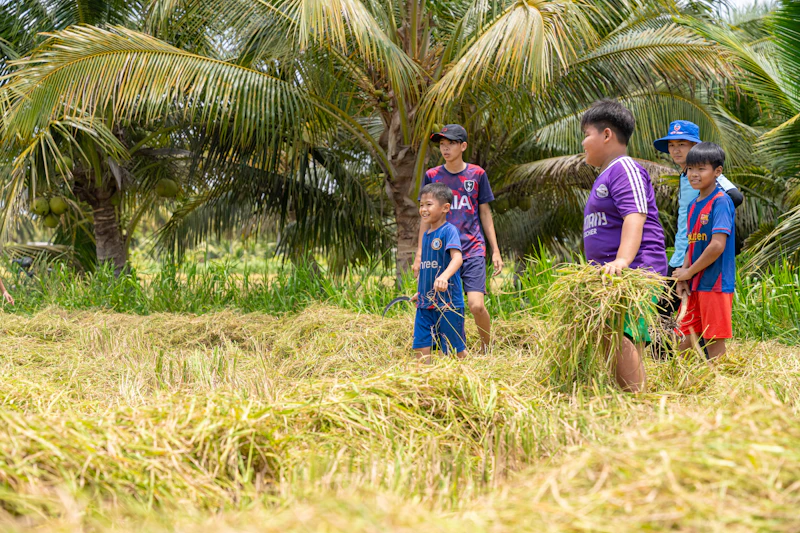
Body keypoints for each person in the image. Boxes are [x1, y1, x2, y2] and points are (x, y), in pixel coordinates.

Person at [581, 99, 668, 392]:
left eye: (586, 134)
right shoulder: (605, 175)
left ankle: (637, 402)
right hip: (613, 273)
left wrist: (622, 260)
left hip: (635, 270)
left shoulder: (625, 167)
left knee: (621, 333)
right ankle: (628, 398)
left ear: (606, 135)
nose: (583, 143)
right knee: (610, 333)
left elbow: (635, 215)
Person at [414, 124, 503, 353]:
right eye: (442, 144)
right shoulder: (433, 175)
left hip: (472, 248)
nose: (445, 148)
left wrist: (495, 250)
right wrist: (419, 254)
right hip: (441, 251)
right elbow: (425, 214)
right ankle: (456, 350)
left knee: (476, 305)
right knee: (446, 305)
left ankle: (486, 348)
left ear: (463, 146)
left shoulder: (477, 174)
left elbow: (484, 212)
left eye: (451, 144)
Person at [652, 120, 743, 315]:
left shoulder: (708, 175)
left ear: (695, 147)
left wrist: (710, 226)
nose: (675, 150)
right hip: (682, 254)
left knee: (665, 313)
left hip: (698, 254)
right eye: (671, 145)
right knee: (668, 315)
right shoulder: (686, 177)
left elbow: (735, 196)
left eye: (682, 145)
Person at [672, 143, 736, 360]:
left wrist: (689, 272)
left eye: (701, 169)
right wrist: (683, 274)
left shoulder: (721, 202)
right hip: (695, 284)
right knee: (684, 339)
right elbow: (692, 244)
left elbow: (717, 245)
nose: (694, 174)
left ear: (717, 171)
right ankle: (684, 388)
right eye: (690, 169)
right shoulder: (692, 206)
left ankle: (719, 390)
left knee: (713, 340)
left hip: (715, 283)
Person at [413, 182, 467, 363]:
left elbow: (457, 258)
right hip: (425, 302)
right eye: (421, 205)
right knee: (421, 345)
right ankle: (424, 382)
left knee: (453, 350)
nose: (423, 209)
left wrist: (444, 276)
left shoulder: (449, 231)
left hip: (448, 303)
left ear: (445, 208)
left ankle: (468, 375)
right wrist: (420, 290)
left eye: (429, 204)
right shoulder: (426, 235)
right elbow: (428, 267)